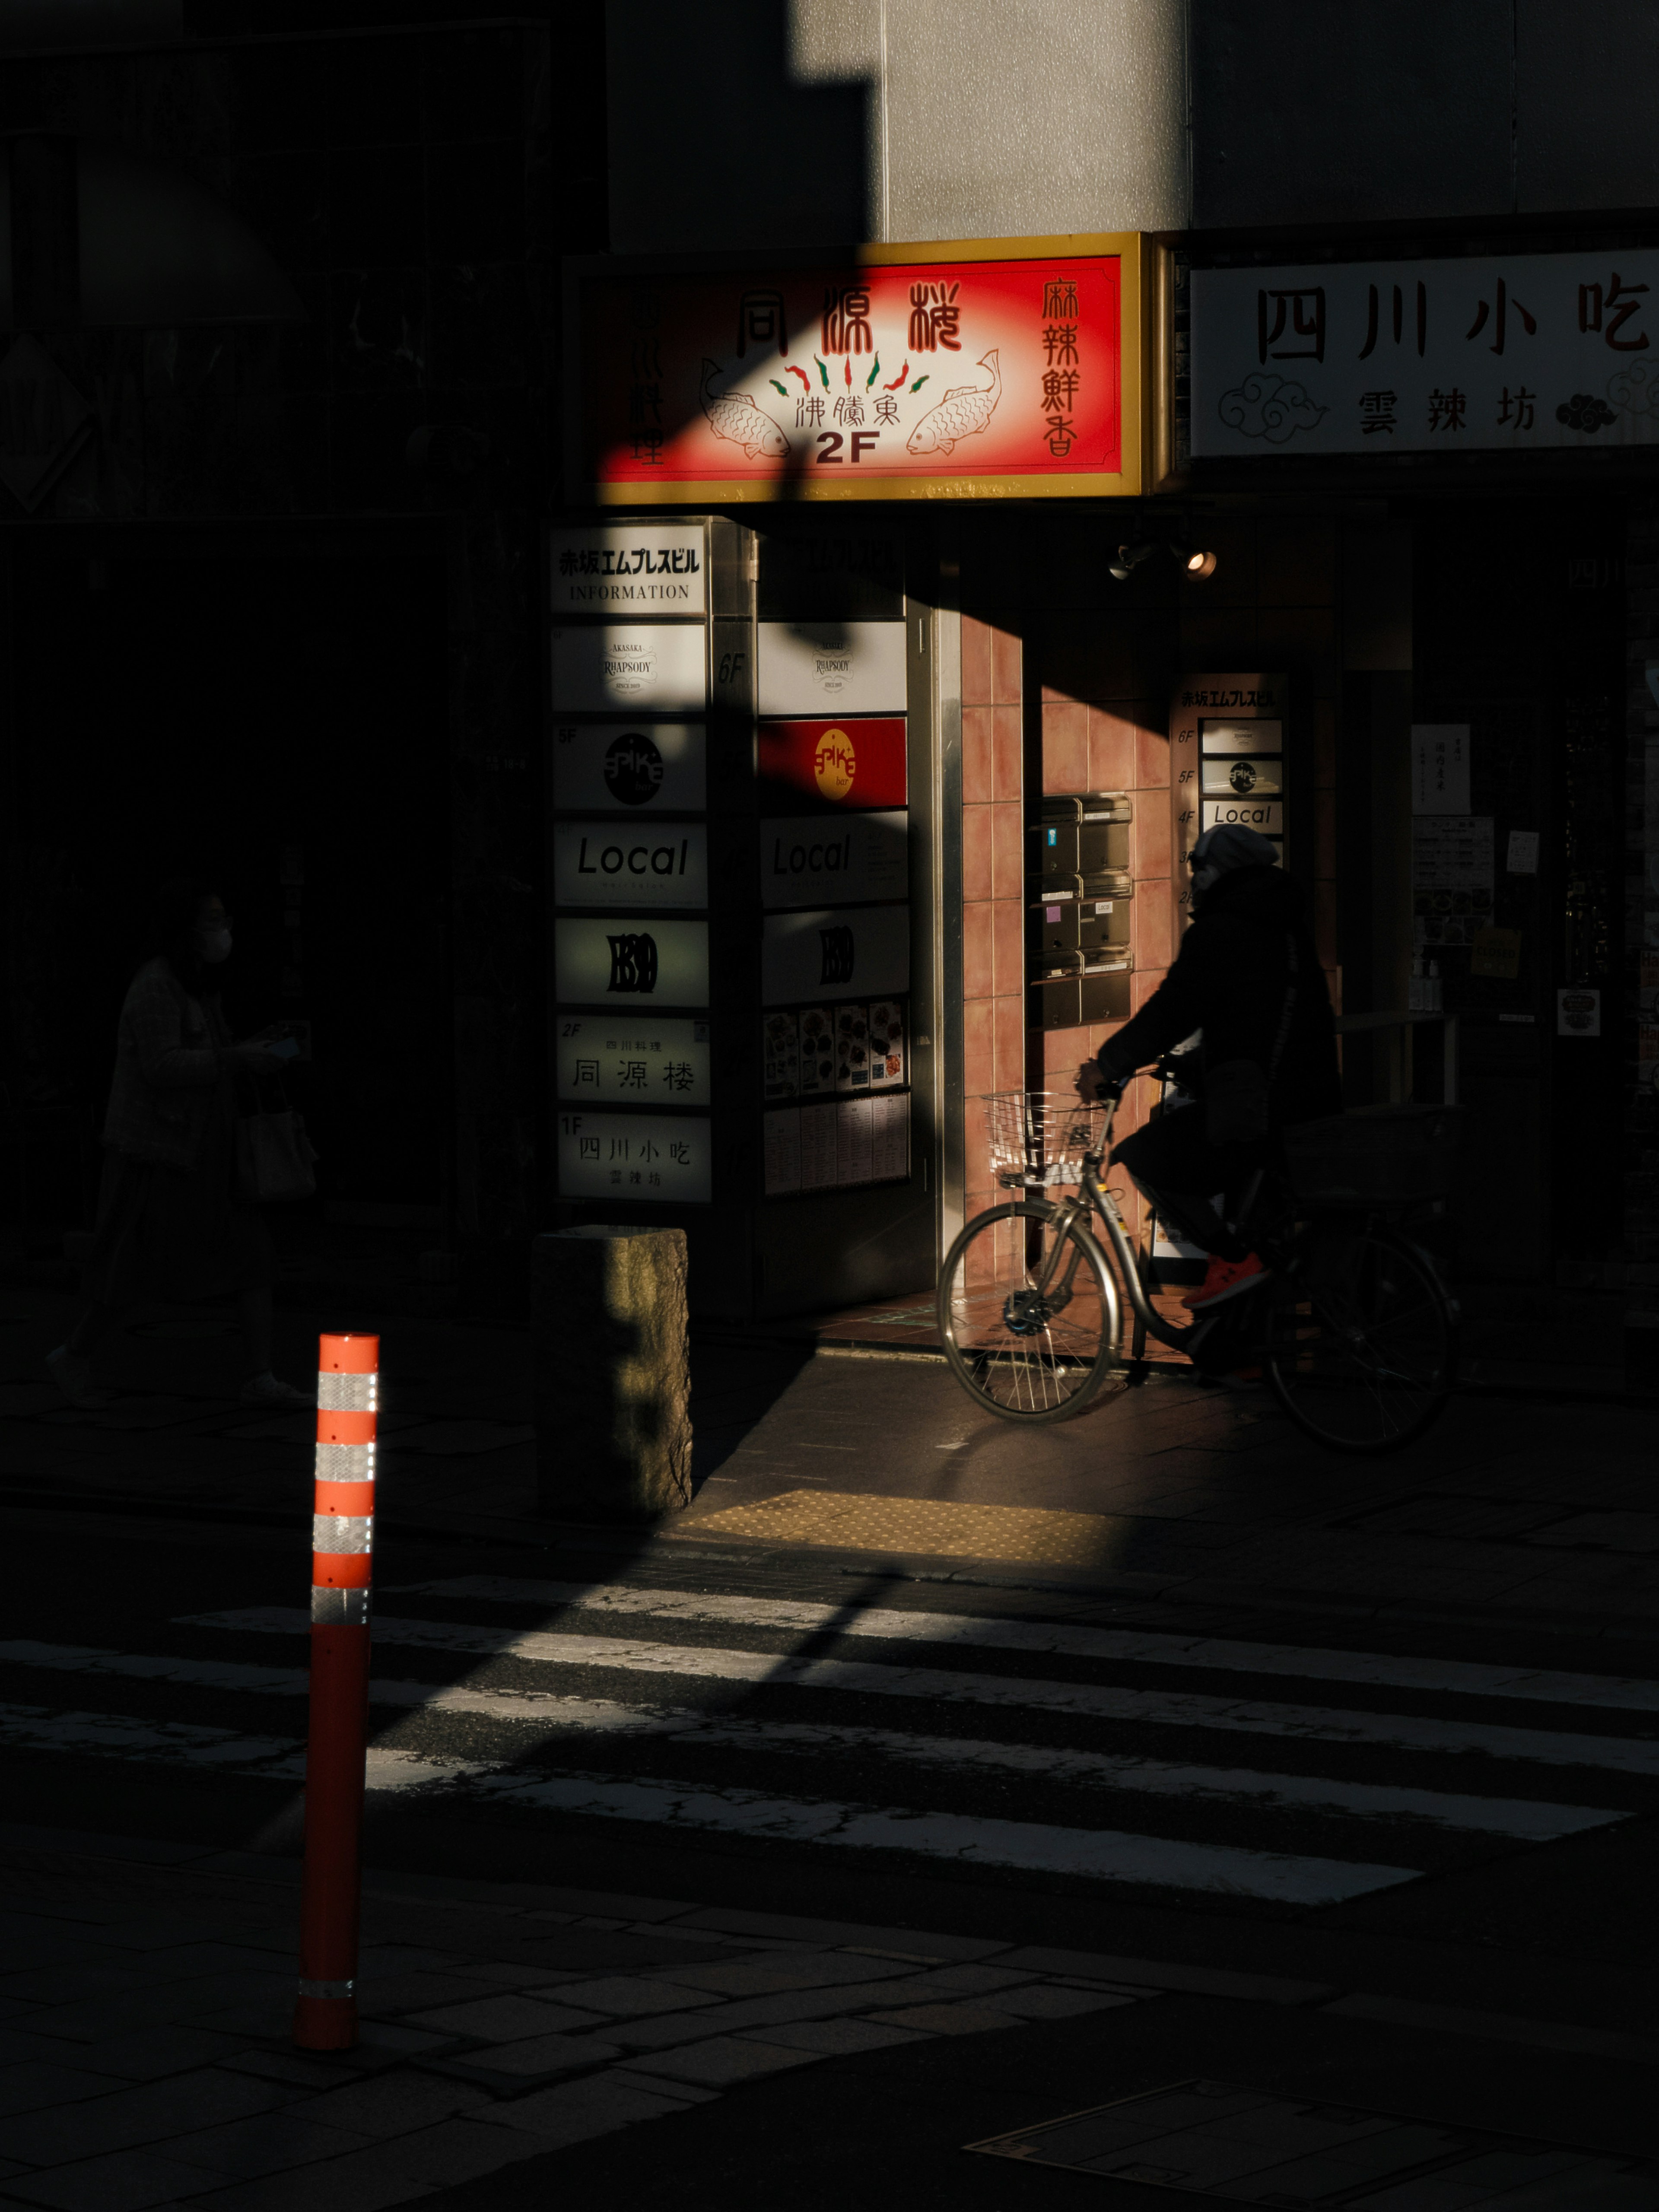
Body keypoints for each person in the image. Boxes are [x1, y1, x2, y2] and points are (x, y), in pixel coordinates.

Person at [46, 878, 312, 1409]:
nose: (224, 930)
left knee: (252, 1255)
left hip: (206, 1152)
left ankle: (259, 1374)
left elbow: (209, 1055)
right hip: (161, 1154)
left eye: (224, 919)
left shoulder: (196, 987)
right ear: (184, 929)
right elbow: (161, 1065)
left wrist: (249, 1053)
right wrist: (236, 1058)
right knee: (134, 1266)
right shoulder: (156, 986)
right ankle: (74, 1352)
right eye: (213, 920)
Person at [1076, 823, 1342, 1311]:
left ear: (1219, 870)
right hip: (1308, 1100)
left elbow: (1173, 1009)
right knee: (1263, 1237)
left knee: (1145, 1156)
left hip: (1258, 1109)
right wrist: (1199, 1064)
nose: (1193, 878)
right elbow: (1257, 1016)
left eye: (1197, 866)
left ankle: (1229, 1258)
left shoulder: (1220, 930)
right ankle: (1243, 1353)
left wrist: (1108, 1064)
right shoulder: (1284, 925)